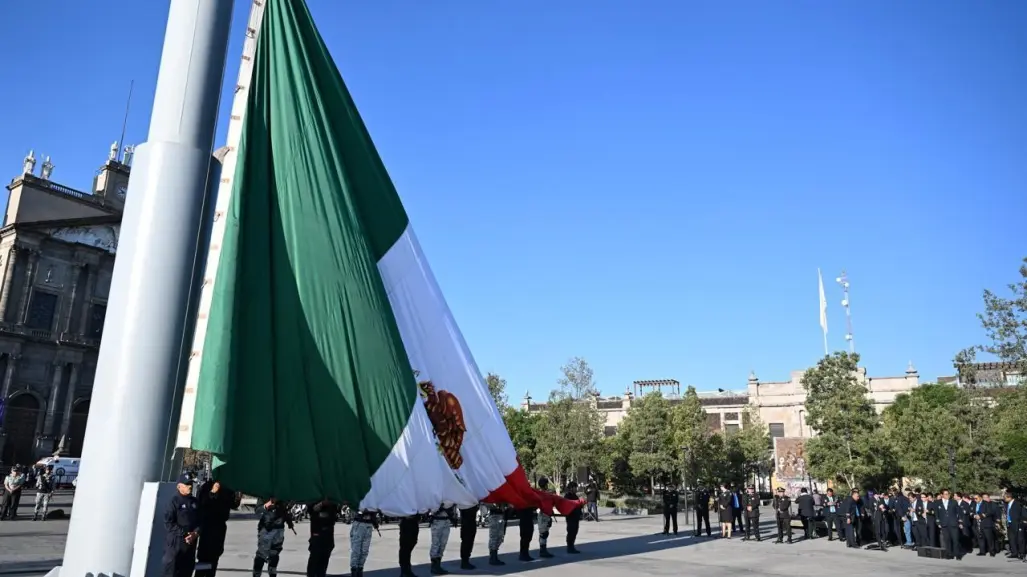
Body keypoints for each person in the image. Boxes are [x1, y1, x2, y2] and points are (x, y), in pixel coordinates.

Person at [195, 479, 238, 577]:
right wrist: (212, 492)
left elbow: (233, 504)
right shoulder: (206, 486)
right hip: (207, 527)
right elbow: (201, 503)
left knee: (214, 558)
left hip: (220, 527)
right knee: (203, 559)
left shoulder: (227, 488)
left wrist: (238, 497)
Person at [163, 474, 200, 577]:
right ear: (179, 486)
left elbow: (200, 521)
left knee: (186, 573)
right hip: (175, 546)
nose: (190, 486)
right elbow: (169, 523)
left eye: (191, 484)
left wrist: (195, 533)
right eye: (187, 484)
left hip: (189, 547)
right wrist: (184, 534)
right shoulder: (173, 502)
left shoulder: (195, 502)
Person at [253, 497, 295, 577]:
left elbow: (284, 511)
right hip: (266, 529)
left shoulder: (283, 495)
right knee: (262, 554)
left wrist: (289, 521)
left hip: (279, 529)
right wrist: (268, 504)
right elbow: (258, 510)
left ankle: (272, 571)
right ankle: (257, 574)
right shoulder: (265, 494)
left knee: (275, 553)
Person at [306, 499, 339, 577]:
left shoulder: (332, 498)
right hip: (317, 532)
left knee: (325, 558)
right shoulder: (315, 495)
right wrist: (322, 504)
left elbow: (336, 511)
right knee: (315, 557)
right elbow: (312, 509)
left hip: (328, 533)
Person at [429, 503, 458, 575]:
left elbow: (454, 505)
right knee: (436, 544)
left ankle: (438, 565)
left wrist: (454, 516)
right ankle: (434, 566)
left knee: (443, 544)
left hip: (446, 521)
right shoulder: (436, 495)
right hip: (437, 520)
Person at [350, 509, 379, 577]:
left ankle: (360, 569)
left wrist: (375, 522)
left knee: (364, 551)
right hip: (359, 523)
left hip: (368, 525)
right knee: (356, 550)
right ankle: (354, 570)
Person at [935, 489, 961, 560]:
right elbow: (936, 514)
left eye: (948, 494)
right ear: (942, 495)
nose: (947, 495)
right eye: (946, 494)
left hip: (953, 523)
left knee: (955, 540)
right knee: (947, 540)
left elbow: (958, 512)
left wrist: (959, 521)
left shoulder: (953, 502)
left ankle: (957, 554)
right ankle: (949, 554)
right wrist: (938, 522)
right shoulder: (937, 502)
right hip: (944, 524)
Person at [536, 477, 556, 558]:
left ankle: (543, 549)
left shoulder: (545, 493)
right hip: (543, 515)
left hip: (547, 515)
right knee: (543, 533)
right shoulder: (541, 494)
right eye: (546, 484)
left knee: (545, 533)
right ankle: (542, 550)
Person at [563, 481, 582, 553]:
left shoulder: (575, 496)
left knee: (575, 531)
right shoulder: (567, 496)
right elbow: (568, 505)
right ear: (571, 488)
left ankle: (572, 546)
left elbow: (578, 505)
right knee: (571, 531)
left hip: (576, 516)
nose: (576, 489)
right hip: (570, 516)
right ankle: (569, 547)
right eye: (575, 487)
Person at [458, 505, 478, 570]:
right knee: (467, 542)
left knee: (470, 541)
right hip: (466, 524)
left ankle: (466, 560)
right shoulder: (464, 502)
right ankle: (464, 561)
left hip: (471, 522)